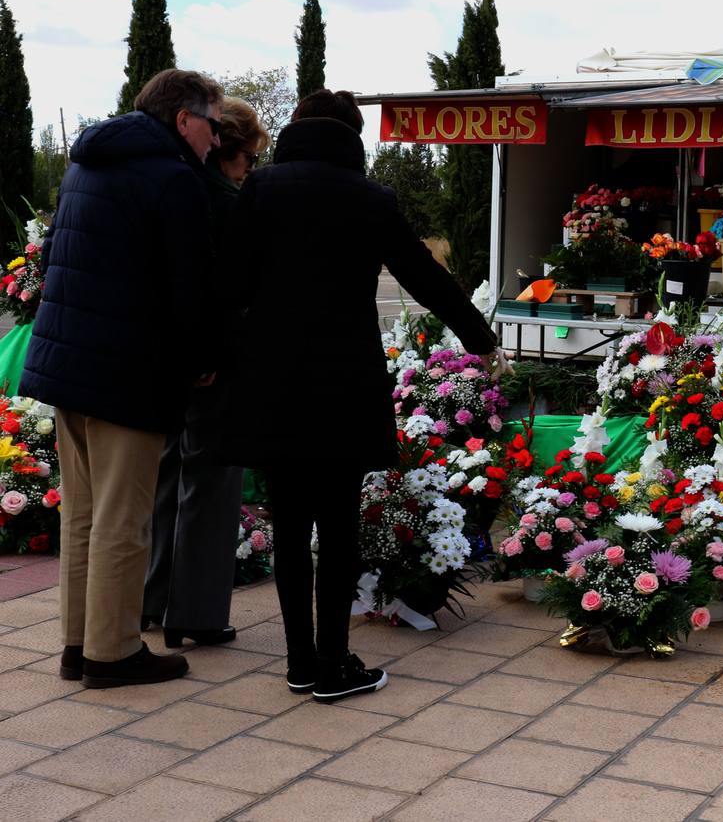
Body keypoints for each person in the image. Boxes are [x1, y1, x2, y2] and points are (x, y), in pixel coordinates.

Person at [221, 89, 505, 703]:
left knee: (289, 525)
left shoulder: (262, 188)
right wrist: (480, 339)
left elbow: (229, 282)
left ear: (296, 127)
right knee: (339, 526)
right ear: (353, 136)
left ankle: (299, 663)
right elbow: (424, 276)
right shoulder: (369, 198)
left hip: (272, 380)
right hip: (344, 382)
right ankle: (332, 665)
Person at [20, 69, 223, 689]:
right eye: (213, 126)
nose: (216, 141)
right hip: (127, 374)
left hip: (68, 366)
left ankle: (78, 646)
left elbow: (54, 257)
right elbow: (190, 291)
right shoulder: (174, 181)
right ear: (184, 119)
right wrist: (204, 361)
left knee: (81, 515)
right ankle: (113, 653)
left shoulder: (86, 165)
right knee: (123, 519)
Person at [143, 97, 270, 648]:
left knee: (167, 481)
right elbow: (230, 293)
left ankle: (150, 601)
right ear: (227, 153)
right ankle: (195, 614)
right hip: (214, 365)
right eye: (246, 163)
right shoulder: (223, 201)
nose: (248, 174)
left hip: (164, 360)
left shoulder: (170, 185)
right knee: (212, 487)